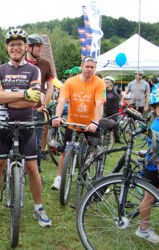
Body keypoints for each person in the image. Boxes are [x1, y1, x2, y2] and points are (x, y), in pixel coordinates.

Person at [0, 28, 52, 227]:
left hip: (27, 124)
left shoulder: (34, 70)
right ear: (7, 48)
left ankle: (39, 208)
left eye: (19, 44)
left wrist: (9, 98)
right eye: (12, 45)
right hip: (3, 124)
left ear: (25, 47)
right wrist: (23, 95)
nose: (16, 48)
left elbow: (34, 101)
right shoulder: (0, 70)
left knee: (32, 168)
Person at [51, 56, 105, 190]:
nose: (89, 69)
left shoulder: (99, 83)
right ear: (81, 66)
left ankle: (97, 181)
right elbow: (62, 100)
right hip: (73, 122)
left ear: (95, 68)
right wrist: (57, 116)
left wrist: (96, 122)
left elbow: (99, 104)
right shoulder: (70, 82)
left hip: (91, 124)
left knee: (95, 152)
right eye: (87, 66)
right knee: (64, 151)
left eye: (92, 67)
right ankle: (59, 178)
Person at [26, 34, 54, 172]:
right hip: (19, 110)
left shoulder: (45, 64)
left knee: (36, 143)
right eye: (37, 46)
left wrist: (44, 106)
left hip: (37, 109)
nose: (40, 49)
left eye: (40, 46)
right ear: (28, 47)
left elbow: (51, 87)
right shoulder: (19, 62)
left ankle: (35, 170)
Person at [135, 88, 159, 243]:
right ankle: (143, 229)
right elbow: (158, 157)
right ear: (154, 109)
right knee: (149, 198)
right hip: (154, 168)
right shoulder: (157, 127)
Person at [104, 76, 121, 143]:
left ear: (111, 83)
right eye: (104, 82)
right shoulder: (103, 90)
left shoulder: (116, 89)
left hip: (114, 111)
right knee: (105, 124)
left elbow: (122, 95)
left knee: (115, 124)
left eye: (107, 82)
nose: (105, 84)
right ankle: (106, 139)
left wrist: (121, 102)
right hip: (105, 110)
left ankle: (117, 139)